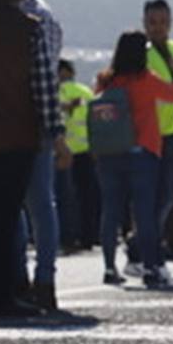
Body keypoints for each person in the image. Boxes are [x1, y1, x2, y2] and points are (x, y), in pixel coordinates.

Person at [0, 0, 61, 318]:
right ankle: (1, 295)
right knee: (3, 219)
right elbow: (44, 88)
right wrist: (55, 135)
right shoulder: (29, 29)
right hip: (16, 139)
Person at [93, 31, 173, 287]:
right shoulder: (147, 79)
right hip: (143, 152)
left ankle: (110, 268)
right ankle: (149, 267)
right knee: (144, 213)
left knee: (110, 211)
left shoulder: (106, 80)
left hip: (110, 153)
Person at [139, 0, 173, 282]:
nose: (158, 28)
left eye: (162, 22)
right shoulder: (141, 54)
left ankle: (142, 245)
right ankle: (150, 253)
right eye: (152, 23)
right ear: (144, 24)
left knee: (169, 196)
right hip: (149, 135)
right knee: (152, 199)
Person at [56, 59, 99, 253]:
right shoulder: (86, 92)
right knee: (88, 196)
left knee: (66, 197)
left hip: (63, 151)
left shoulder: (57, 92)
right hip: (87, 150)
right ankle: (89, 236)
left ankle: (70, 236)